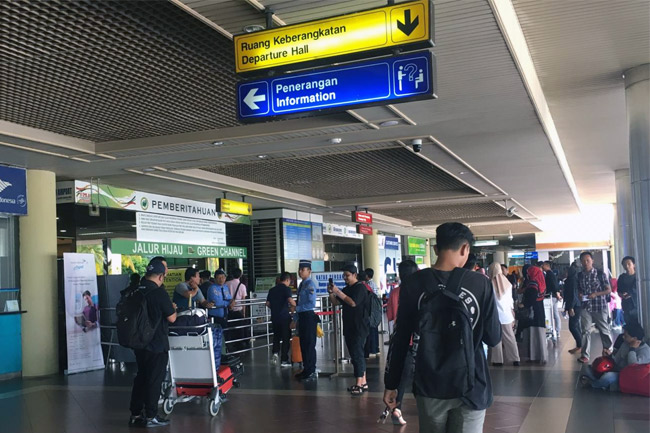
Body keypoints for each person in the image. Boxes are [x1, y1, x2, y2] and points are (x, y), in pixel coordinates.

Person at [384, 222, 501, 433]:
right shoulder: (480, 283)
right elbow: (493, 338)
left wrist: (391, 384)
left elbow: (400, 338)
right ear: (465, 248)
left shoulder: (413, 284)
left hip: (430, 383)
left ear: (436, 249)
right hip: (472, 385)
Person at [128, 259, 176, 428]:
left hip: (139, 342)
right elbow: (172, 318)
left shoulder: (136, 290)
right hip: (156, 344)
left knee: (141, 377)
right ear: (161, 276)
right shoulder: (158, 293)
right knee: (154, 380)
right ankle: (151, 415)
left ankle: (135, 414)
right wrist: (173, 308)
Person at [385, 259, 419, 425]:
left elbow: (391, 316)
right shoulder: (421, 292)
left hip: (401, 341)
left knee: (401, 378)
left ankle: (397, 409)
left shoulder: (395, 292)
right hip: (420, 341)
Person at [329, 264, 369, 395]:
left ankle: (359, 384)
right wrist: (331, 293)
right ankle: (363, 382)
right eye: (344, 275)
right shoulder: (347, 289)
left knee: (357, 355)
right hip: (349, 326)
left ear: (355, 275)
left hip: (359, 327)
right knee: (356, 354)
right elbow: (336, 302)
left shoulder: (360, 288)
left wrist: (338, 292)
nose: (345, 278)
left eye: (347, 275)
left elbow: (353, 303)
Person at [580, 322, 650, 390]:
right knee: (587, 368)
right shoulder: (625, 344)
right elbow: (616, 360)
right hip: (618, 370)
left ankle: (594, 384)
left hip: (628, 376)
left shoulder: (645, 351)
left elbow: (633, 367)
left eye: (626, 336)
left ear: (634, 338)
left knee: (607, 377)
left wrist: (632, 349)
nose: (623, 337)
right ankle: (605, 384)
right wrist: (609, 355)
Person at [577, 251, 613, 364]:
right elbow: (579, 289)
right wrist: (580, 294)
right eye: (583, 261)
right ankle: (585, 355)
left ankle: (608, 350)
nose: (585, 263)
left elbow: (608, 290)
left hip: (599, 306)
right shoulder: (580, 275)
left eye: (588, 260)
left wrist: (596, 294)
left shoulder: (600, 274)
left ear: (592, 261)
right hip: (585, 306)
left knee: (604, 329)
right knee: (585, 330)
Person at [488, 263, 520, 367]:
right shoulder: (507, 283)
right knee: (510, 337)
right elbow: (510, 300)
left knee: (496, 338)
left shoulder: (489, 285)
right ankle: (515, 358)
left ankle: (497, 360)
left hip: (494, 316)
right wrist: (512, 312)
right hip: (507, 316)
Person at [266, 272, 296, 367]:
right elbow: (290, 300)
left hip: (275, 317)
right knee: (286, 338)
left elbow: (267, 303)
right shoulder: (286, 289)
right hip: (284, 317)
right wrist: (295, 306)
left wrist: (275, 308)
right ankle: (284, 360)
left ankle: (275, 353)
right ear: (287, 280)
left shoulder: (272, 290)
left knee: (276, 336)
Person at [519, 266, 548, 364]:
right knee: (539, 335)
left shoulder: (532, 284)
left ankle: (534, 356)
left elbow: (531, 298)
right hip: (540, 312)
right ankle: (541, 356)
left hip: (533, 313)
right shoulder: (540, 282)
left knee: (533, 335)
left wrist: (524, 304)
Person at [295, 260, 318, 382]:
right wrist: (295, 318)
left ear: (309, 271)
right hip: (302, 317)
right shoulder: (301, 285)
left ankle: (311, 371)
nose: (300, 272)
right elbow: (298, 302)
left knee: (309, 345)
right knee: (303, 344)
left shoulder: (310, 285)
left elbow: (311, 304)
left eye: (303, 270)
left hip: (308, 317)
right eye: (299, 269)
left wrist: (297, 309)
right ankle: (306, 369)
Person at [207, 269, 234, 369]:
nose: (221, 279)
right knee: (218, 337)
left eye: (223, 277)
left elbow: (229, 298)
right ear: (215, 279)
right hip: (215, 317)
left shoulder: (225, 287)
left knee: (225, 334)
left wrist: (231, 302)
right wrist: (228, 303)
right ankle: (220, 356)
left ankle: (225, 354)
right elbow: (218, 302)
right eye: (219, 278)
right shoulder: (212, 288)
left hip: (224, 315)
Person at [226, 268, 248, 351]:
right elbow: (243, 300)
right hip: (238, 311)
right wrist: (244, 313)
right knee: (239, 329)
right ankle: (239, 344)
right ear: (240, 275)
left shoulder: (227, 284)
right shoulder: (242, 286)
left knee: (230, 329)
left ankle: (231, 345)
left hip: (228, 310)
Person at [563, 264, 582, 354]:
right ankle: (580, 345)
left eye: (566, 271)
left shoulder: (572, 281)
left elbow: (573, 295)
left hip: (575, 306)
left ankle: (580, 345)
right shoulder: (570, 280)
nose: (565, 273)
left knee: (572, 326)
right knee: (576, 326)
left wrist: (571, 307)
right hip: (575, 305)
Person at [542, 261, 562, 339]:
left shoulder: (549, 274)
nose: (542, 266)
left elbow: (554, 285)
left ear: (547, 266)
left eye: (543, 265)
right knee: (555, 313)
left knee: (553, 313)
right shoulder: (550, 274)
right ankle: (557, 330)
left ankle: (555, 330)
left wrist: (557, 293)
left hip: (552, 296)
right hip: (553, 296)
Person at [364, 268, 381, 358]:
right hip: (375, 307)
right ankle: (376, 349)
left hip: (372, 308)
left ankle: (373, 349)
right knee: (374, 329)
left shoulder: (368, 285)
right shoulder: (372, 283)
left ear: (367, 276)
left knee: (372, 329)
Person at [617, 256, 638, 325]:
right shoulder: (622, 277)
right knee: (629, 324)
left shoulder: (638, 276)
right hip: (626, 305)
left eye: (629, 264)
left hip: (637, 304)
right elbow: (619, 290)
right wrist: (622, 295)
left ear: (634, 264)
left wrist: (630, 294)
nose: (627, 266)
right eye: (624, 264)